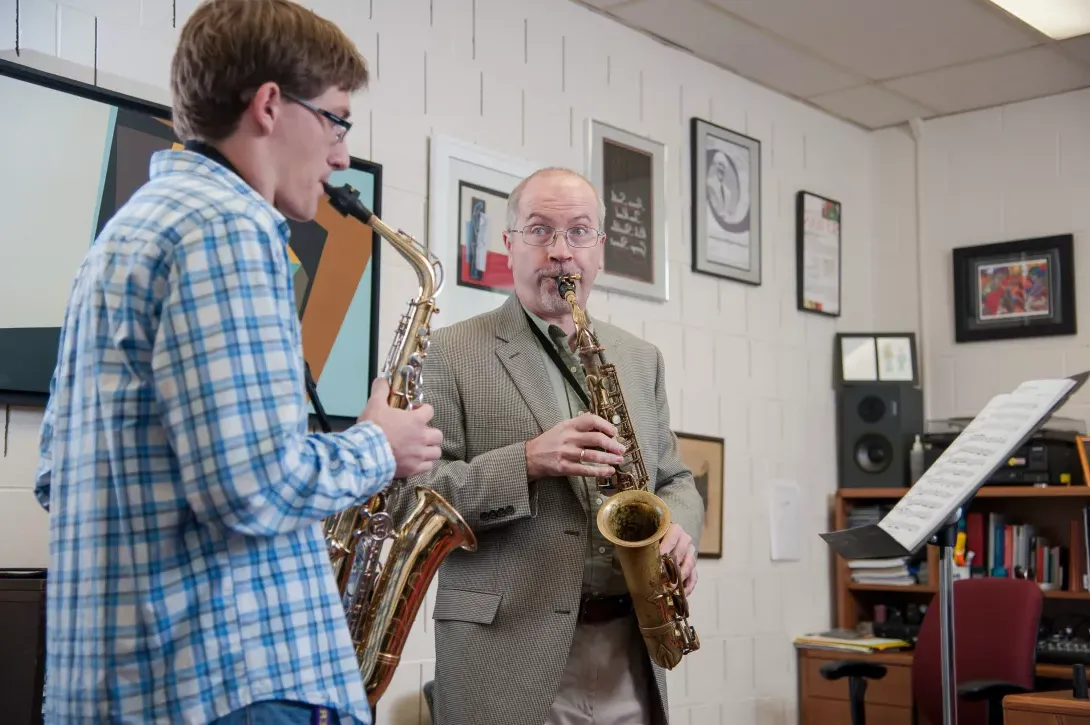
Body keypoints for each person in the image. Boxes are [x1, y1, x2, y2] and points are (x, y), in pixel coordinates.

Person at [32, 1, 442, 723]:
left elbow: (53, 476)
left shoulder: (127, 233)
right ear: (270, 105)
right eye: (337, 120)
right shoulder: (228, 227)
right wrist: (381, 444)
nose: (343, 154)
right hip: (229, 687)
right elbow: (252, 486)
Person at [386, 167, 705, 725]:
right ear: (509, 245)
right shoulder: (450, 351)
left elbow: (674, 477)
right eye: (539, 230)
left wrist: (679, 525)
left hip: (630, 649)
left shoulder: (639, 358)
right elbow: (412, 499)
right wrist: (527, 460)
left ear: (600, 251)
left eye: (579, 231)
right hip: (504, 656)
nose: (561, 252)